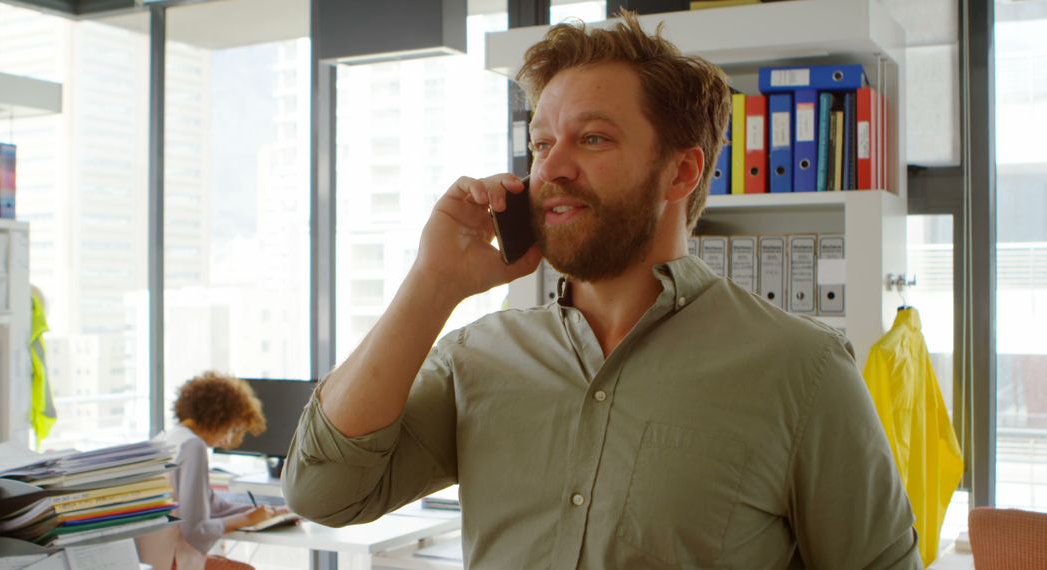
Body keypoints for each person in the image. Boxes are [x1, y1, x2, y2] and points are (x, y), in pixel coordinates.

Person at [284, 11, 920, 569]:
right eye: (540, 142)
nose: (552, 168)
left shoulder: (800, 370)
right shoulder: (478, 358)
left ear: (681, 171)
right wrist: (432, 283)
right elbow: (322, 492)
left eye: (592, 138)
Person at [137, 371, 289, 570]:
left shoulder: (169, 438)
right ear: (218, 417)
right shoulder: (193, 447)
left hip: (153, 559)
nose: (228, 440)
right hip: (174, 561)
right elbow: (195, 529)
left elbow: (213, 507)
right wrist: (246, 519)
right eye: (232, 429)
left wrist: (266, 513)